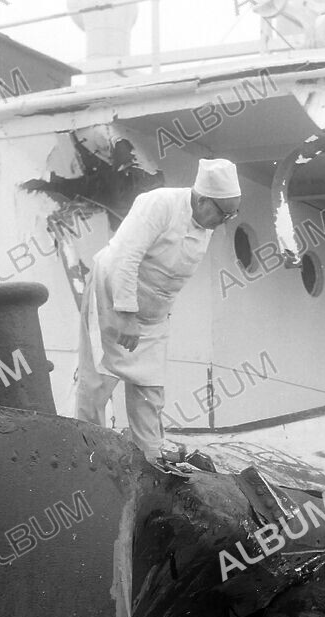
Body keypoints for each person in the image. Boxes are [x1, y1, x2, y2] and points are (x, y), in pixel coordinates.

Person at [75, 158, 242, 461]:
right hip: (112, 297)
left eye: (232, 214)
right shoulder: (159, 204)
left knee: (150, 390)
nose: (226, 220)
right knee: (98, 382)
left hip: (153, 315)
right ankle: (87, 456)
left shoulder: (207, 222)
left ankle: (150, 460)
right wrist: (126, 314)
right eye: (224, 213)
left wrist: (152, 314)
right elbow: (126, 256)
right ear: (203, 199)